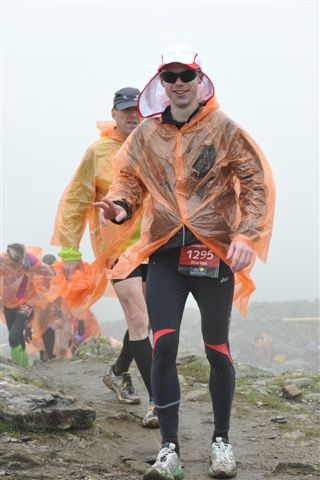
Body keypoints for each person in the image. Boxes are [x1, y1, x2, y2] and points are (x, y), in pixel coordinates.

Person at [94, 43, 275, 479]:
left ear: (199, 80)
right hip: (165, 255)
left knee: (217, 348)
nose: (178, 84)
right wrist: (120, 206)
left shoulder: (223, 128)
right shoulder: (147, 133)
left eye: (185, 76)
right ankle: (169, 449)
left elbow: (254, 182)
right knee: (164, 345)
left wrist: (248, 233)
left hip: (212, 251)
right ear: (161, 83)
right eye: (170, 77)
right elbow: (128, 180)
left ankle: (221, 443)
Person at [51, 87, 158, 428]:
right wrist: (70, 250)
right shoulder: (97, 152)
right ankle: (160, 401)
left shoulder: (156, 146)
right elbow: (74, 201)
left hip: (155, 245)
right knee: (139, 318)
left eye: (137, 109)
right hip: (116, 250)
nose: (132, 115)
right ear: (113, 114)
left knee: (149, 319)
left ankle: (117, 371)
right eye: (125, 110)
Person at [0, 244, 53, 367]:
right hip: (8, 302)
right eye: (14, 263)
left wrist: (37, 297)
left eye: (19, 263)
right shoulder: (2, 259)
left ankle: (17, 365)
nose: (16, 266)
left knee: (13, 337)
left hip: (26, 303)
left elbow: (49, 277)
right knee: (16, 335)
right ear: (8, 256)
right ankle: (24, 366)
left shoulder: (32, 262)